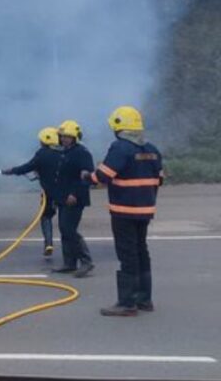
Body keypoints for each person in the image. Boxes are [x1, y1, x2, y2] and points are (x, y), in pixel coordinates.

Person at [84, 106, 163, 317]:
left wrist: (86, 177)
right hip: (146, 210)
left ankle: (127, 303)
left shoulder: (120, 148)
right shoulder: (152, 149)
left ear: (118, 127)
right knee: (141, 251)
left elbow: (102, 176)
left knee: (127, 254)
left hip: (124, 211)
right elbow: (160, 178)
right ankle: (144, 299)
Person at [2, 127, 63, 257]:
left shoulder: (42, 153)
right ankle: (68, 246)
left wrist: (11, 171)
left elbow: (27, 167)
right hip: (64, 192)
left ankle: (48, 243)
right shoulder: (64, 153)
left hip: (49, 194)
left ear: (45, 141)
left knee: (46, 217)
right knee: (65, 220)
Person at [54, 119, 94, 277]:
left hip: (75, 198)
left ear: (75, 137)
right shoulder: (63, 152)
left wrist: (74, 194)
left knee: (69, 229)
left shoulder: (82, 153)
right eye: (62, 136)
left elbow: (85, 177)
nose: (64, 139)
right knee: (64, 229)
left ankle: (86, 261)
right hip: (63, 197)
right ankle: (69, 263)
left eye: (67, 136)